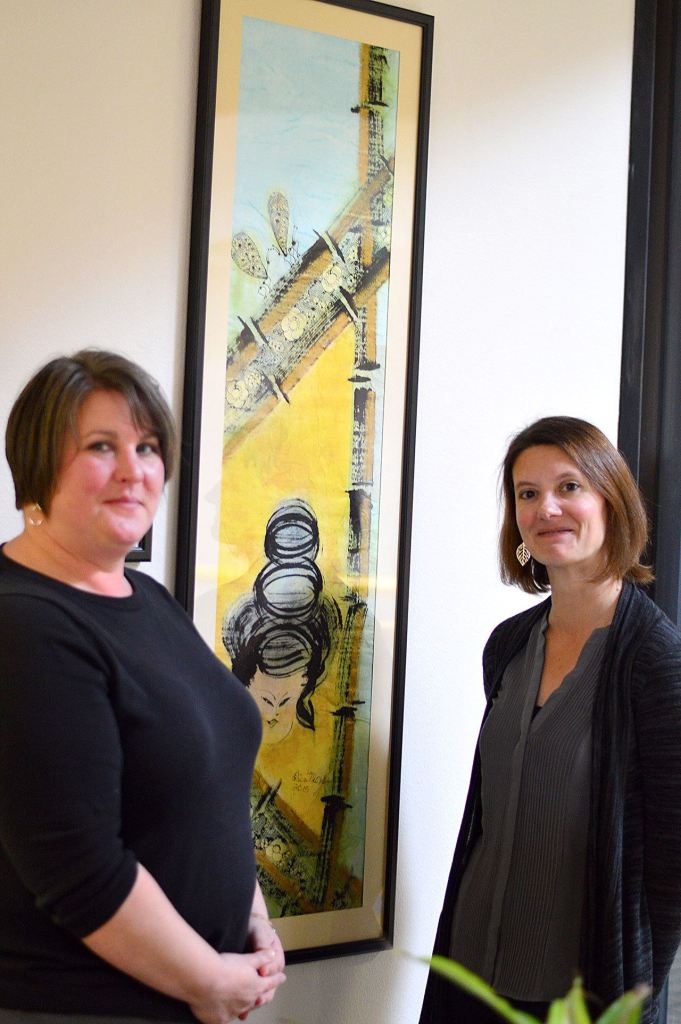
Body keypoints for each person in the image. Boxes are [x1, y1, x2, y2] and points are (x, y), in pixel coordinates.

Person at [0, 350, 286, 1023]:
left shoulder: (147, 598)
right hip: (82, 1006)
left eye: (148, 447)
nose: (134, 470)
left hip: (189, 991)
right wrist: (209, 980)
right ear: (37, 466)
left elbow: (206, 787)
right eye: (102, 446)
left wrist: (251, 919)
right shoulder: (24, 624)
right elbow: (81, 872)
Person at [420, 416, 681, 1024]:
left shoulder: (655, 659)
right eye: (527, 493)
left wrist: (632, 999)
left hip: (576, 994)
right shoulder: (507, 644)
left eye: (569, 487)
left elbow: (672, 862)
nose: (547, 509)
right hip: (471, 973)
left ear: (609, 500)